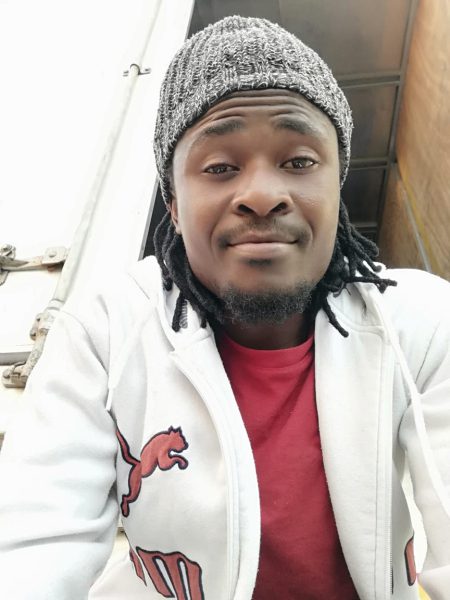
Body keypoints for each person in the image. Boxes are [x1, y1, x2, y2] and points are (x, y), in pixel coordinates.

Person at [0, 15, 449, 600]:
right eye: (219, 167)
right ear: (174, 204)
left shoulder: (420, 322)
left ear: (337, 185)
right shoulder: (104, 332)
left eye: (299, 161)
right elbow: (32, 545)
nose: (262, 195)